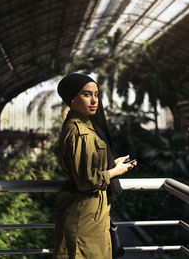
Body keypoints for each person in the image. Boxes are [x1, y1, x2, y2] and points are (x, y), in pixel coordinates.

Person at [53, 73, 136, 259]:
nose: (94, 100)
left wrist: (111, 164)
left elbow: (86, 166)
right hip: (85, 216)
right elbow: (86, 180)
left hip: (91, 213)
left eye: (96, 95)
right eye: (86, 94)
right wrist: (115, 171)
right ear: (72, 99)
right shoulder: (81, 133)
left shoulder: (82, 126)